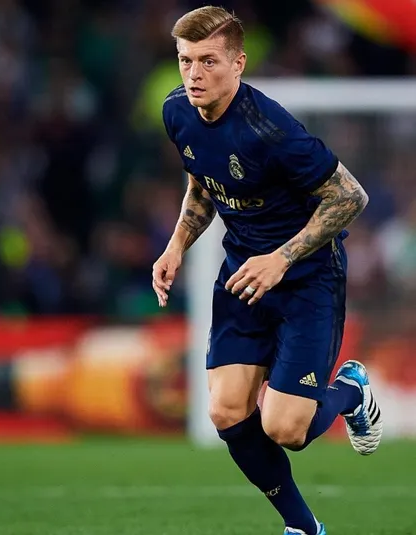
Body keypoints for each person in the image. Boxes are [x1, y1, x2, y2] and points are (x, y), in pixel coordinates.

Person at [152, 6, 382, 535]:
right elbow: (202, 183)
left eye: (208, 61)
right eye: (186, 60)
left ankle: (350, 390)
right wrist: (175, 246)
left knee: (286, 429)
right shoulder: (177, 111)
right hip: (242, 275)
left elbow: (351, 196)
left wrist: (281, 258)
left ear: (238, 63)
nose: (194, 74)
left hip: (307, 279)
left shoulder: (271, 128)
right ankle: (304, 527)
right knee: (226, 411)